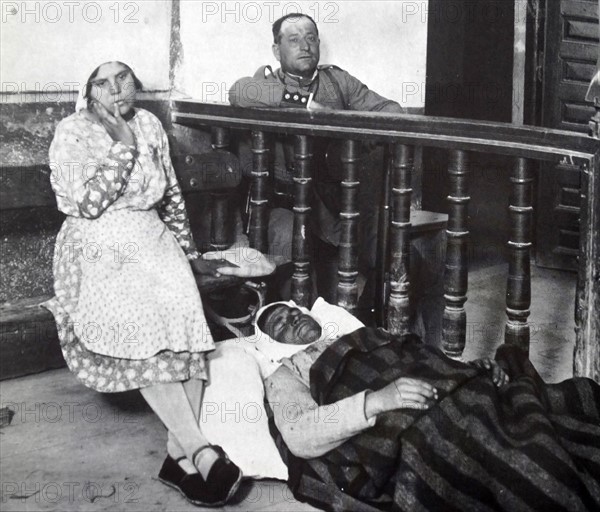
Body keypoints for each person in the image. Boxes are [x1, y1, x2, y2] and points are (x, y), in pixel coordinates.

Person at [44, 58, 274, 507]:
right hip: (99, 243)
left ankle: (178, 454)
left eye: (123, 78)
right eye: (103, 83)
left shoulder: (149, 122)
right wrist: (124, 146)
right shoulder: (71, 131)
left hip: (152, 239)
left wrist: (189, 256)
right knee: (145, 325)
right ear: (88, 91)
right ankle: (200, 451)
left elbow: (168, 195)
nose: (117, 90)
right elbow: (87, 204)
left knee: (186, 325)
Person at [252, 303, 600, 511]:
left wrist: (470, 369)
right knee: (510, 458)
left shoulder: (363, 333)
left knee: (551, 408)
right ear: (271, 342)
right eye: (279, 324)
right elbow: (299, 434)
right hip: (409, 425)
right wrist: (377, 400)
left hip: (457, 391)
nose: (291, 319)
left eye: (292, 312)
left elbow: (424, 359)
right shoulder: (285, 371)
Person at [229, 13, 406, 314]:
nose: (305, 46)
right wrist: (308, 106)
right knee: (291, 247)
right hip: (281, 203)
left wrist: (349, 129)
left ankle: (370, 325)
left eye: (311, 38)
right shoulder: (266, 81)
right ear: (277, 50)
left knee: (391, 250)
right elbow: (239, 92)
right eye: (294, 40)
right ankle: (303, 333)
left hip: (333, 201)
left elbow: (393, 111)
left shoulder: (337, 81)